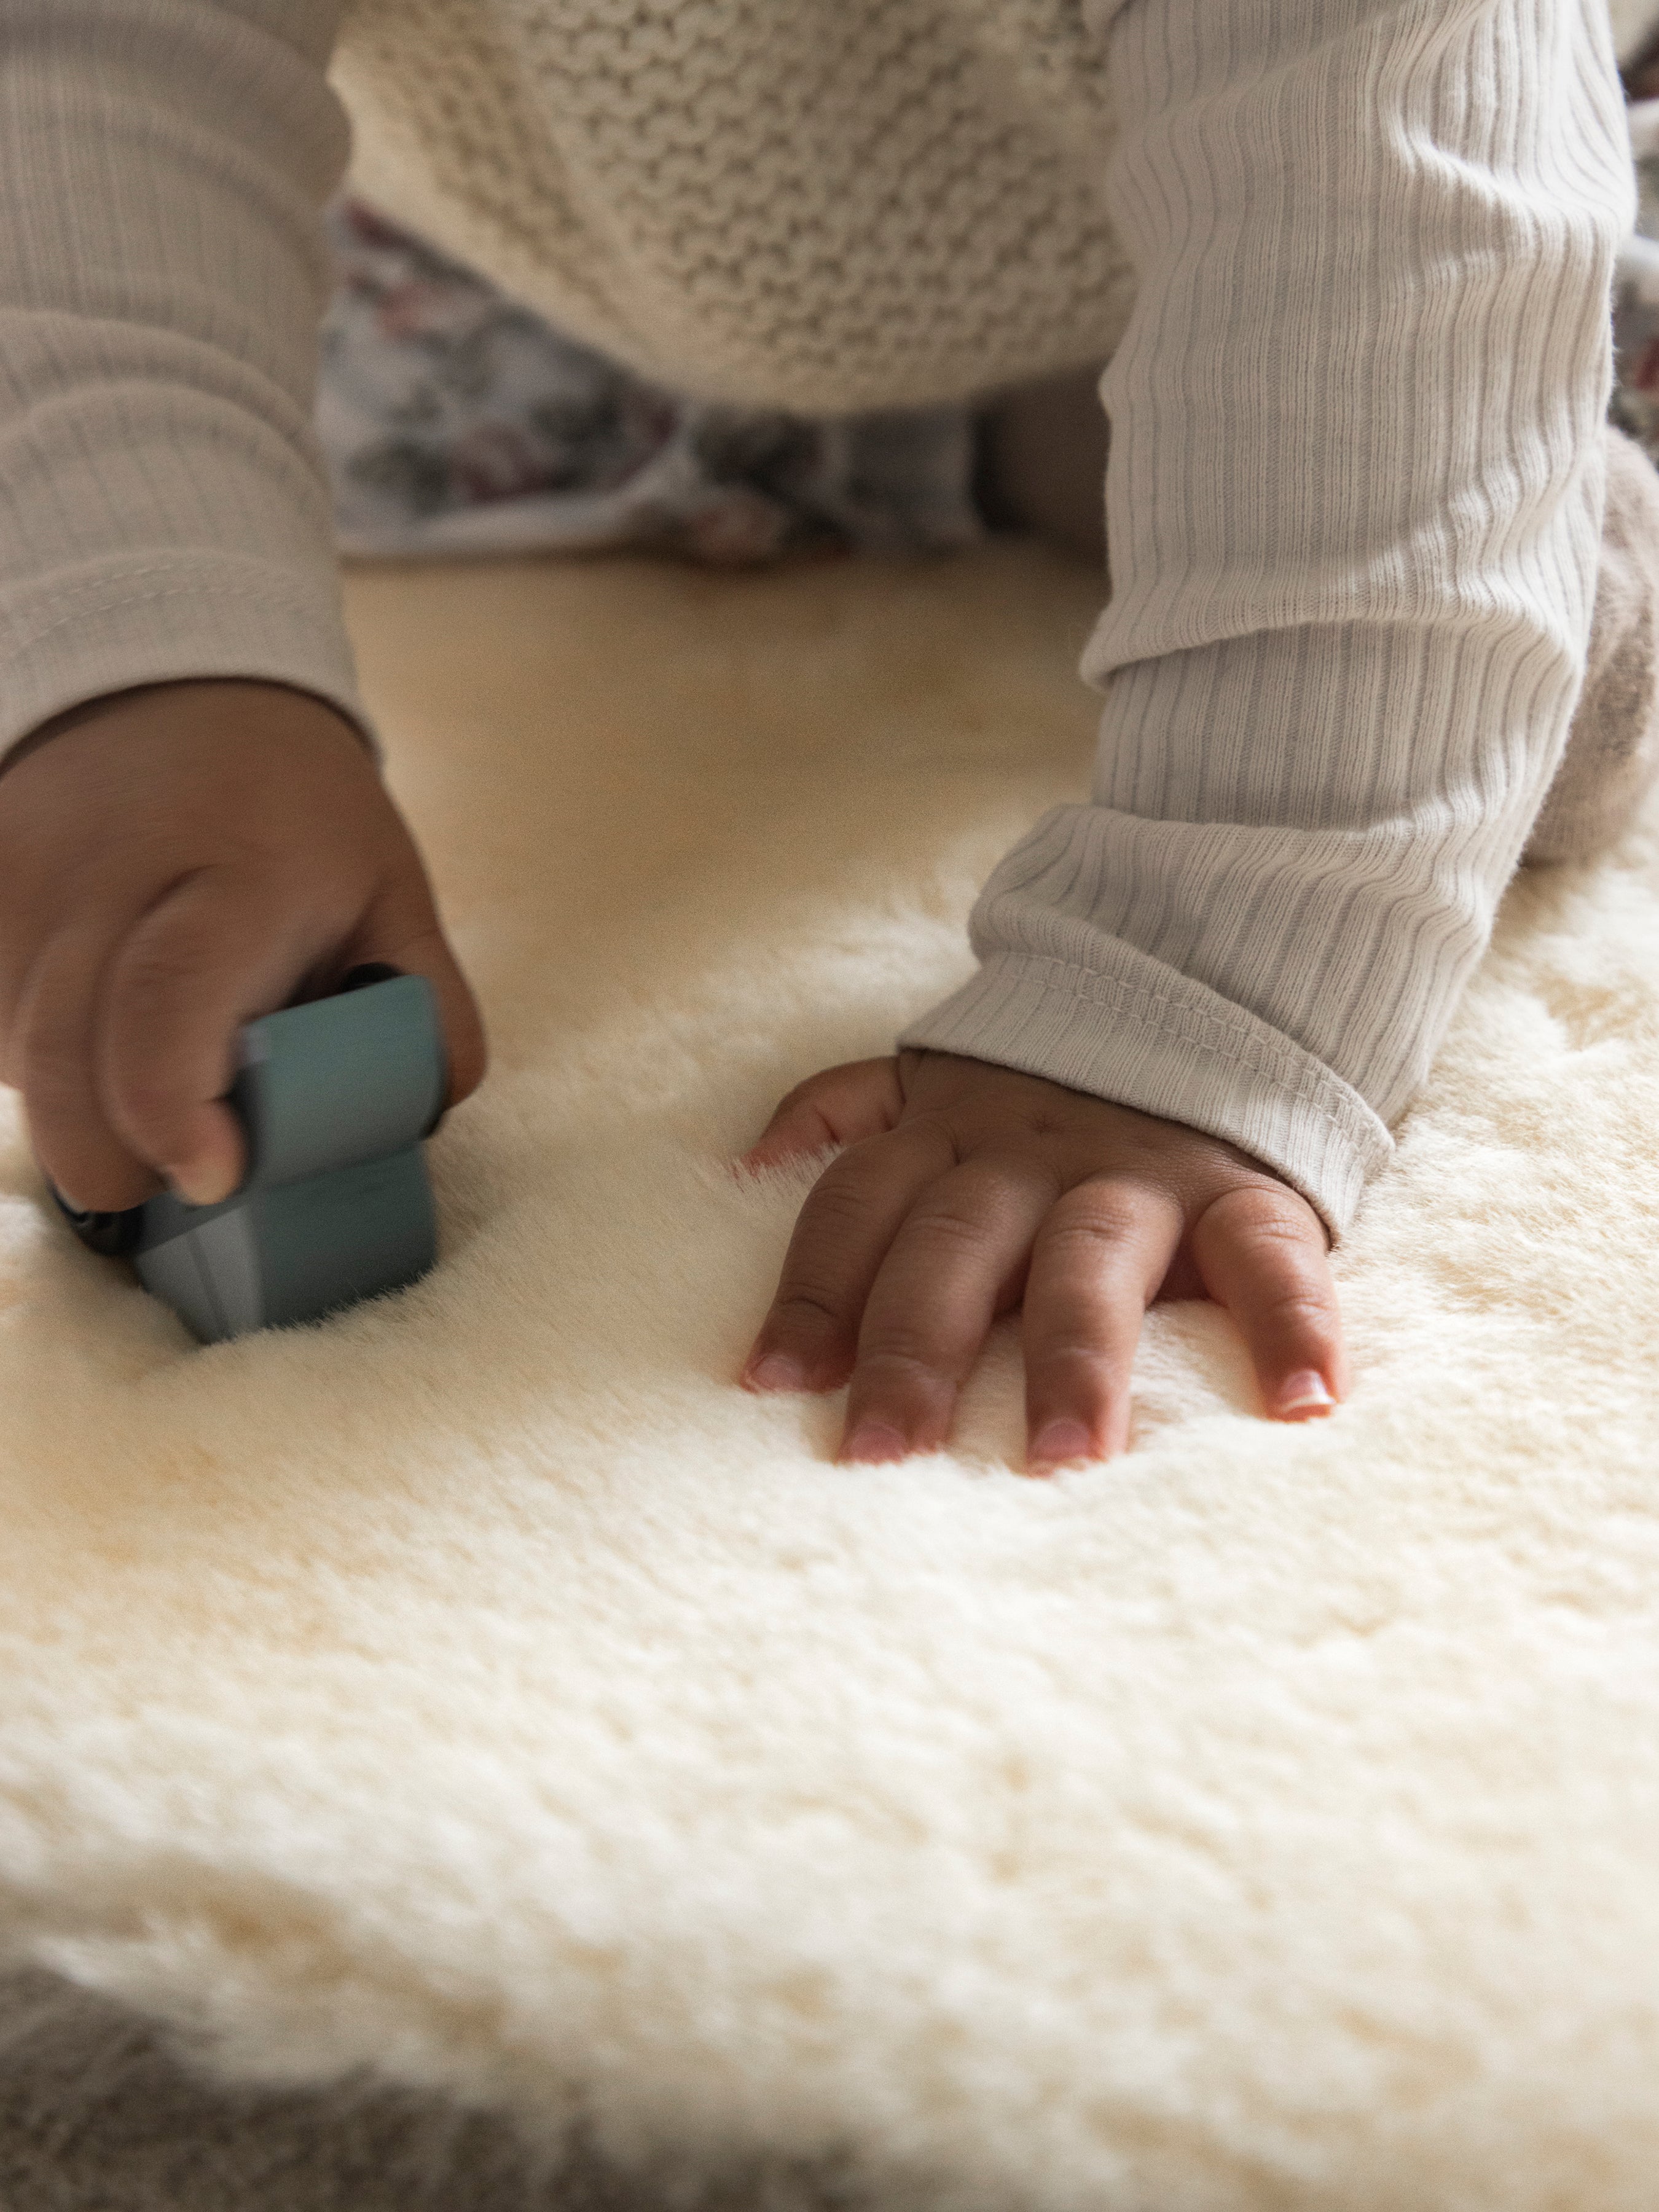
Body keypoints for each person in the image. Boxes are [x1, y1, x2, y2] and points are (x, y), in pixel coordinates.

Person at [0, 1, 1647, 1471]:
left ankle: (1435, 496)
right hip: (594, 252)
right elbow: (86, 93)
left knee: (1467, 638)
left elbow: (1398, 217)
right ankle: (984, 444)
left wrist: (1206, 977)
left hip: (1439, 170)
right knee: (244, 396)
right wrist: (158, 675)